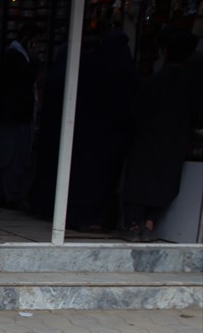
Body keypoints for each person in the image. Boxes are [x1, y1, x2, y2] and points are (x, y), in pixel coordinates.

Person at [119, 29, 203, 242]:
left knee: (138, 183)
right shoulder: (191, 86)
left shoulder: (152, 82)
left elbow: (135, 112)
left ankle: (133, 224)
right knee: (162, 184)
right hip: (174, 143)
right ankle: (149, 224)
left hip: (147, 140)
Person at [64, 30, 139, 232]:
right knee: (101, 181)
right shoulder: (125, 71)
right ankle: (93, 218)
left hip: (86, 134)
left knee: (82, 177)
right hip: (110, 138)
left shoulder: (91, 66)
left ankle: (76, 216)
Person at [0, 22, 40, 210]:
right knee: (14, 158)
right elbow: (24, 84)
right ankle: (11, 195)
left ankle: (3, 194)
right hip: (15, 117)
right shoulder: (18, 58)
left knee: (6, 155)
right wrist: (34, 61)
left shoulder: (12, 56)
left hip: (9, 116)